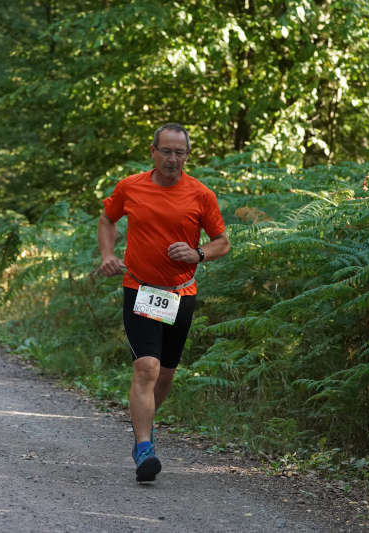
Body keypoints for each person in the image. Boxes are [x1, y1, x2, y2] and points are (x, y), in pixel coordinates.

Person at [98, 123, 230, 482]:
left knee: (166, 375)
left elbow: (222, 241)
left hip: (181, 293)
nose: (173, 159)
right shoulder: (131, 187)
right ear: (153, 151)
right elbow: (108, 218)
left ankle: (146, 423)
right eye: (167, 151)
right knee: (147, 367)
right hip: (139, 288)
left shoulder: (200, 195)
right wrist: (107, 254)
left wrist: (197, 253)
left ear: (187, 155)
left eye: (180, 152)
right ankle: (144, 449)